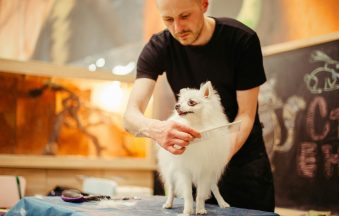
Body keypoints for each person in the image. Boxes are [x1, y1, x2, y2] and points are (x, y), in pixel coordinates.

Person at [123, 0, 275, 212]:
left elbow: (246, 115)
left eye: (185, 16)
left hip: (243, 165)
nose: (178, 28)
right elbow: (130, 117)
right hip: (192, 164)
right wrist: (156, 129)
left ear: (204, 5)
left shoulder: (241, 40)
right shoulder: (160, 46)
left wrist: (215, 157)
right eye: (168, 19)